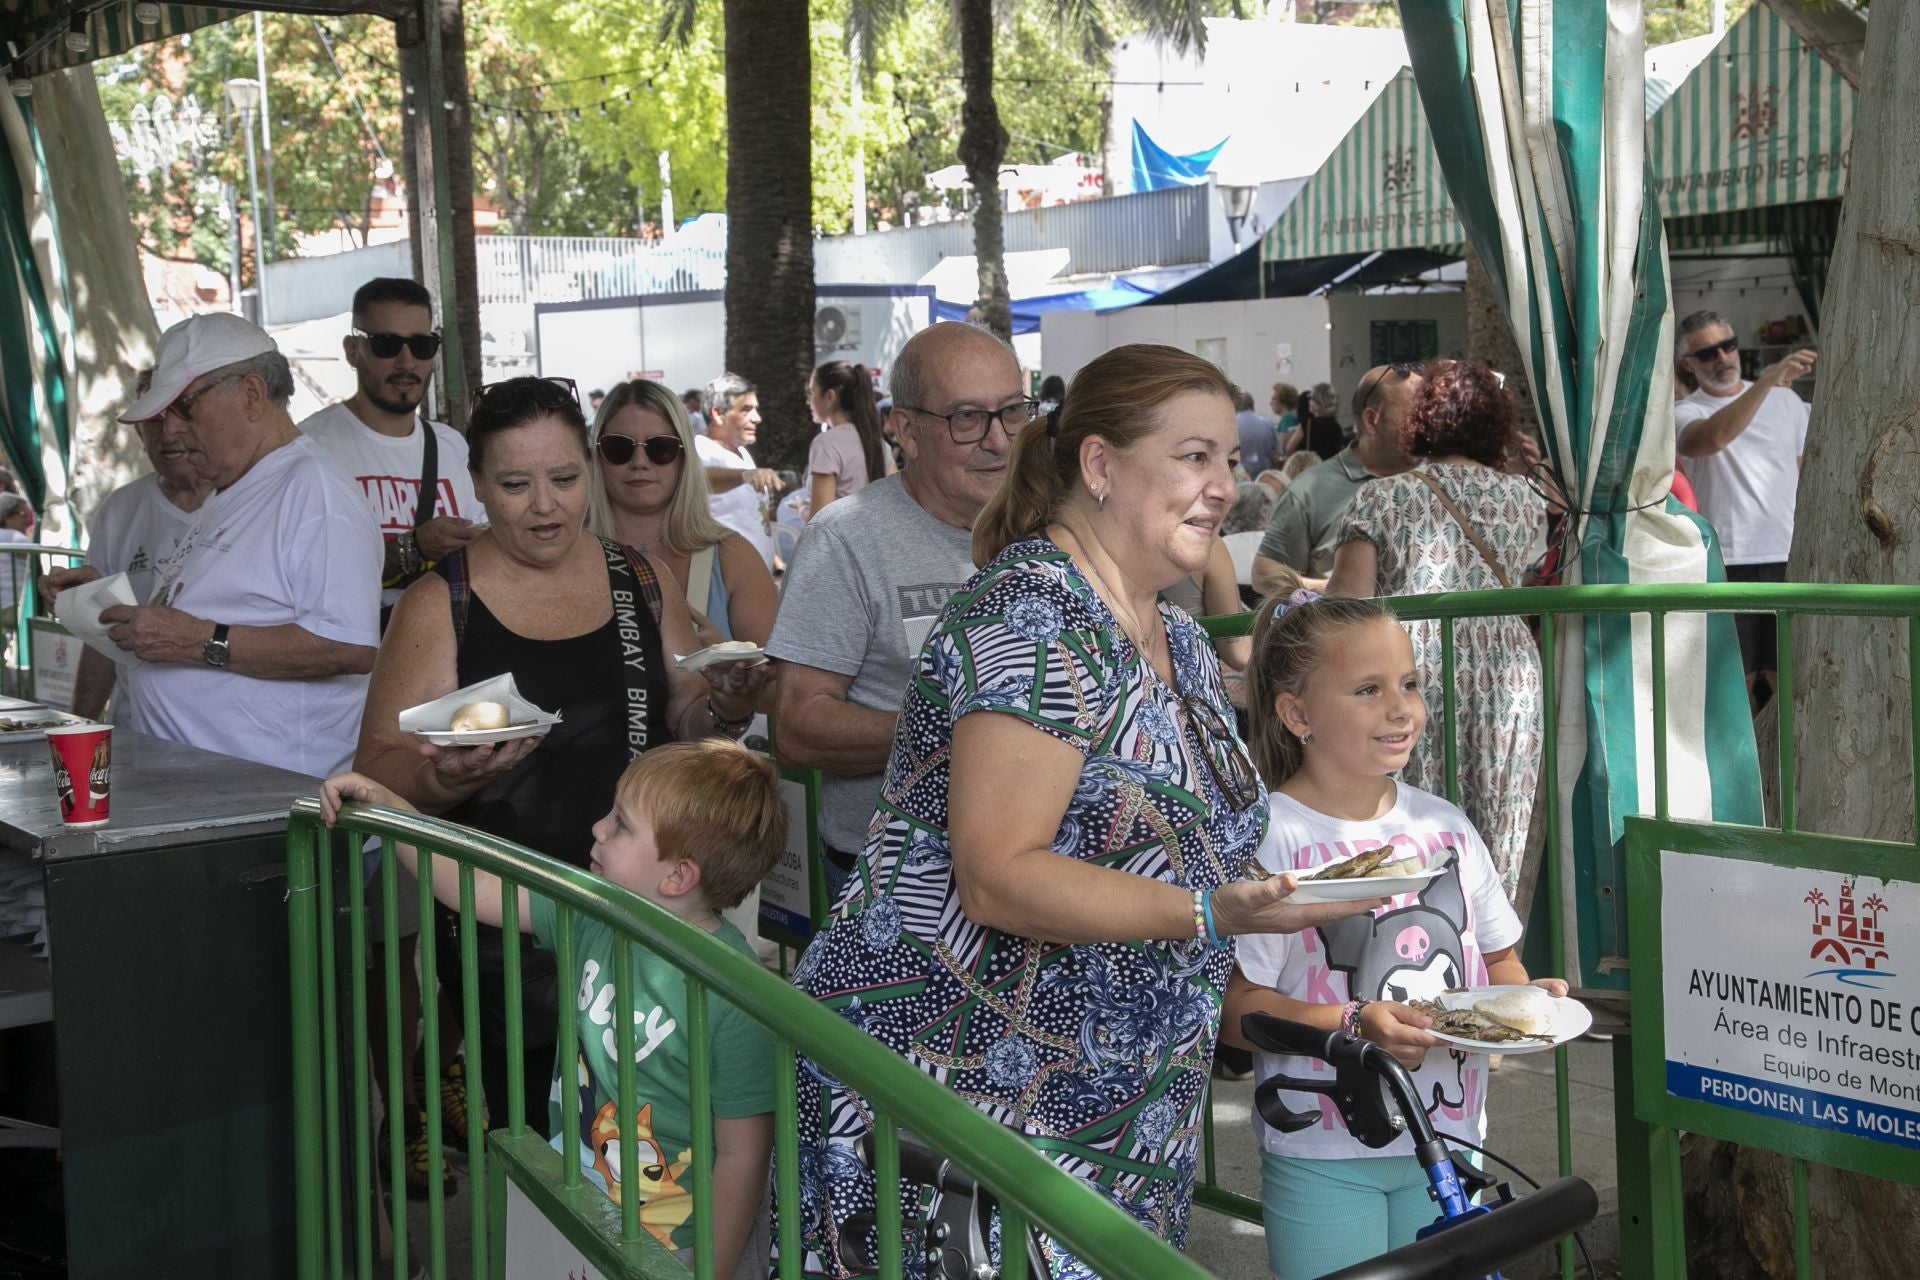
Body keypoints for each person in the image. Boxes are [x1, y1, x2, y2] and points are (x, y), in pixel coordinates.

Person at [779, 343, 1378, 1277]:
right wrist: (1212, 912)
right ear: (1099, 465)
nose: (1224, 485)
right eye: (1192, 457)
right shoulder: (1032, 614)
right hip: (969, 1100)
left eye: (1227, 458)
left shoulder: (1170, 627)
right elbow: (997, 874)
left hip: (1111, 1109)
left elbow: (1165, 847)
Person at [353, 374, 773, 1141]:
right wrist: (442, 774)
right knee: (541, 1141)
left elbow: (681, 711)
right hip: (506, 926)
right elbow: (378, 763)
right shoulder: (442, 600)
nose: (543, 504)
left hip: (645, 910)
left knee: (657, 1136)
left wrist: (728, 704)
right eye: (515, 483)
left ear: (589, 470)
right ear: (477, 484)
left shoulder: (637, 579)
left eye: (564, 478)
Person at [319, 738, 785, 1279]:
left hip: (674, 1247)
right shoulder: (593, 912)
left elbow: (742, 1157)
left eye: (621, 824)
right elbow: (470, 884)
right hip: (582, 1206)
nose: (597, 828)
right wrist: (392, 807)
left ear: (677, 876)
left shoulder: (735, 997)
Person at [1221, 593, 1563, 1279]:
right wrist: (1354, 1023)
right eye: (1368, 689)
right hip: (1320, 1154)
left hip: (1451, 1141)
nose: (1401, 707)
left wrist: (1524, 1007)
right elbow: (1235, 1013)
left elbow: (1501, 961)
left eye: (1409, 683)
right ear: (1297, 714)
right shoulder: (1272, 836)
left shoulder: (1447, 828)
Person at [57, 313, 382, 777]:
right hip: (211, 791)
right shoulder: (232, 489)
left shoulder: (313, 490)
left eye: (184, 406)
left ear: (251, 394)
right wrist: (99, 604)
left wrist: (196, 641)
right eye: (162, 414)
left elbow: (346, 647)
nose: (168, 431)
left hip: (275, 803)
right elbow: (205, 615)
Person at [767, 323, 1025, 901]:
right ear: (905, 429)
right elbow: (799, 728)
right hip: (895, 881)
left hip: (1042, 871)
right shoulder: (846, 539)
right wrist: (977, 731)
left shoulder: (1056, 528)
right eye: (967, 417)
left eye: (1012, 411)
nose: (1000, 440)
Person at [1326, 359, 1545, 893]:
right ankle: (1496, 944)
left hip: (1416, 670)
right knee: (1500, 814)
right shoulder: (1524, 498)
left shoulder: (1383, 496)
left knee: (1416, 814)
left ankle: (1417, 935)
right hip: (1508, 672)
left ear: (1423, 420)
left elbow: (1347, 606)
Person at [300, 278, 484, 627]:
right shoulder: (311, 447)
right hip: (349, 666)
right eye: (386, 344)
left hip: (441, 658)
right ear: (353, 351)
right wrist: (411, 548)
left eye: (421, 345)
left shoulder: (451, 445)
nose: (406, 361)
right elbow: (303, 577)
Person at [1672, 309, 1815, 708]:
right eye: (1708, 353)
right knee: (1736, 682)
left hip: (1787, 554)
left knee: (1787, 677)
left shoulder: (1786, 401)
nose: (1722, 359)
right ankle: (1747, 770)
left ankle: (1787, 767)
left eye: (1728, 346)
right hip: (1727, 561)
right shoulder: (1687, 411)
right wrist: (1767, 380)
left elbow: (1807, 475)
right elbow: (1712, 438)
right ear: (1688, 364)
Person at [66, 372, 214, 720]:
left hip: (223, 734)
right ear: (137, 432)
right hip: (138, 724)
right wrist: (80, 727)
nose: (167, 434)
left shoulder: (243, 503)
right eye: (152, 421)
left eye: (180, 415)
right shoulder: (119, 511)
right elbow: (102, 636)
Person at [587, 379, 776, 648]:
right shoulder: (565, 555)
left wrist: (736, 680)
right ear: (597, 455)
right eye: (619, 447)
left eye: (660, 448)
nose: (640, 463)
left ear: (684, 457)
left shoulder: (734, 558)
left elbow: (778, 683)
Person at [1253, 364, 1421, 596]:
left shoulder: (1442, 481)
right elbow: (1264, 574)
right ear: (1372, 420)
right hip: (1347, 628)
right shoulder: (1310, 490)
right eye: (1413, 417)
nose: (1427, 426)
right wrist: (1333, 589)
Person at [697, 373, 779, 570]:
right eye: (746, 410)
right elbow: (699, 479)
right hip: (725, 581)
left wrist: (776, 565)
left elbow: (758, 520)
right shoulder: (699, 451)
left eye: (756, 410)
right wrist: (744, 476)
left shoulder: (742, 453)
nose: (757, 418)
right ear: (717, 413)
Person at [805, 359, 894, 519]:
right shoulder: (880, 445)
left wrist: (802, 511)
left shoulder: (826, 444)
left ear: (830, 396)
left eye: (811, 393)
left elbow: (820, 520)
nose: (808, 402)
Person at [1236, 386, 1280, 480]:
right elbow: (1277, 455)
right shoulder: (1268, 423)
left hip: (1241, 480)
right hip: (1266, 479)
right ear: (1253, 405)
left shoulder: (1230, 425)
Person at [1271, 382, 1300, 446]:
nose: (1270, 403)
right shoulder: (1293, 416)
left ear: (1283, 400)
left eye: (1274, 399)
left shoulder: (1288, 419)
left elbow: (1282, 448)